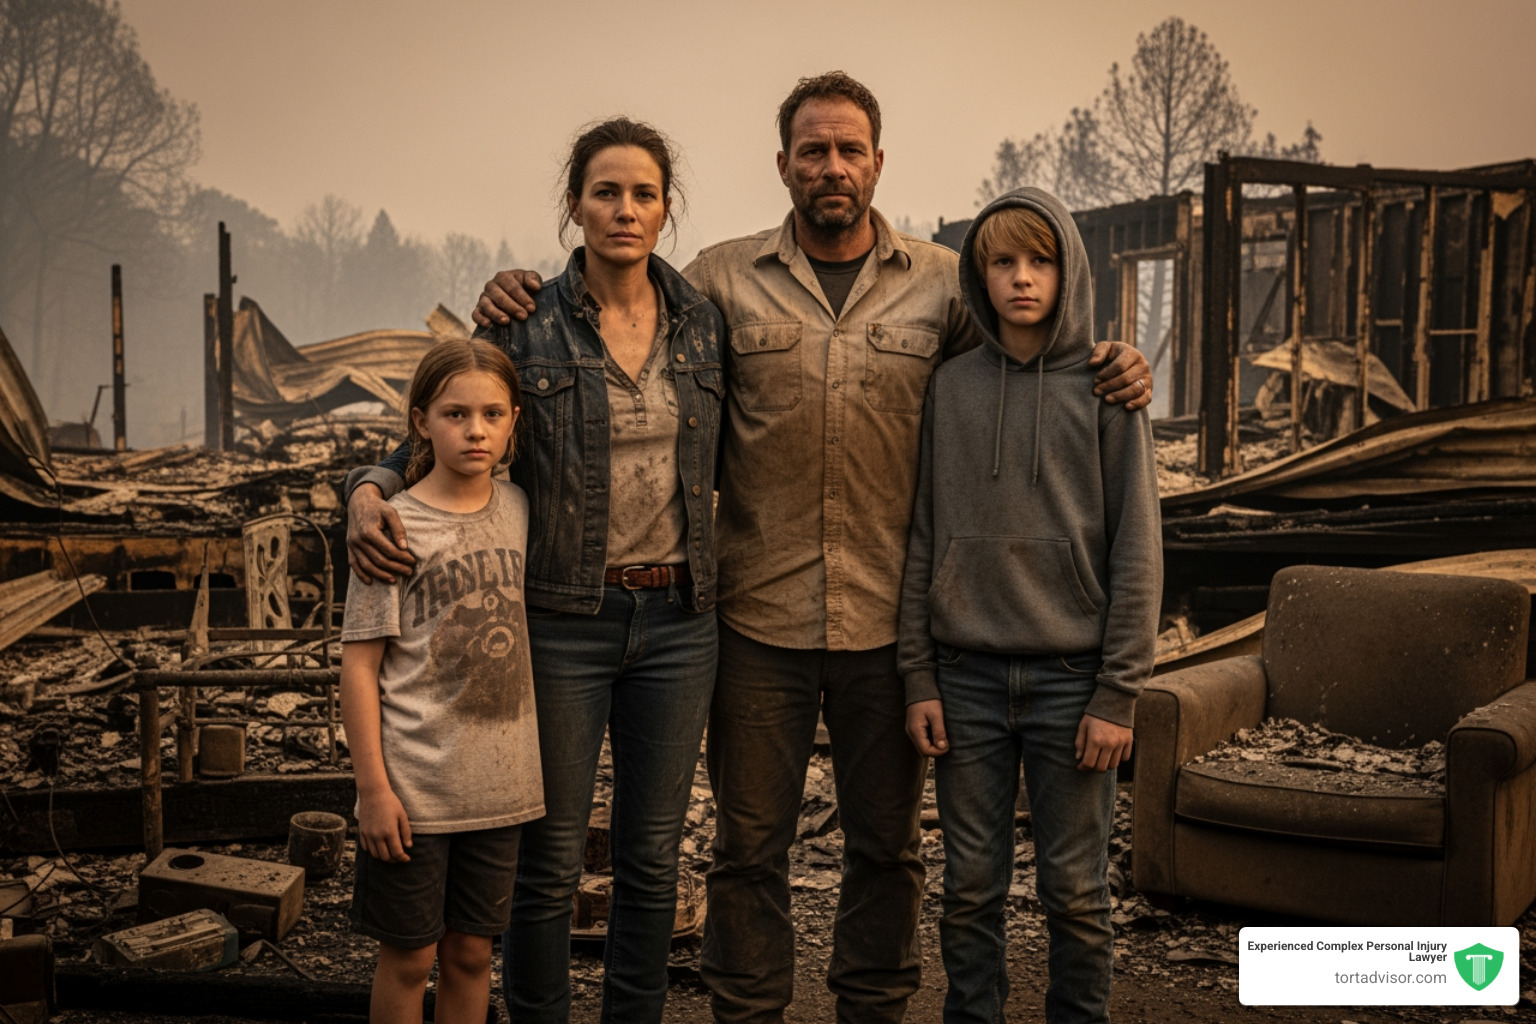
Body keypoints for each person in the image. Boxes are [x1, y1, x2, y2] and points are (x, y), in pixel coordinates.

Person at [473, 73, 1154, 1024]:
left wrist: (1110, 358)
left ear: (878, 162)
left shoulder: (941, 286)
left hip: (893, 629)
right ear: (783, 164)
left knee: (889, 850)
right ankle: (747, 1011)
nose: (831, 167)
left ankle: (870, 1009)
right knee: (748, 848)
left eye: (849, 150)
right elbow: (595, 311)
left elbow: (1022, 353)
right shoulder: (717, 278)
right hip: (756, 619)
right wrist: (515, 293)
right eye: (812, 151)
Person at [347, 118, 724, 1024]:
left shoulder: (705, 323)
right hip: (563, 618)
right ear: (574, 205)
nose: (624, 210)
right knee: (548, 860)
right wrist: (368, 489)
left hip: (680, 619)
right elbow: (449, 421)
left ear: (667, 209)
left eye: (642, 194)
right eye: (605, 192)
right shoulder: (523, 320)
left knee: (652, 857)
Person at [899, 187, 1161, 1024]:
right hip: (966, 680)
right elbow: (924, 538)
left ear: (1068, 271)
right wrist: (918, 676)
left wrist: (1118, 692)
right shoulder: (951, 390)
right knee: (968, 890)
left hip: (1072, 683)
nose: (1021, 279)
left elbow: (1137, 551)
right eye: (1002, 262)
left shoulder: (1107, 392)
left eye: (1040, 261)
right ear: (979, 275)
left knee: (1076, 893)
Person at [340, 337, 541, 1024]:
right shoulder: (393, 529)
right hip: (415, 794)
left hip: (500, 789)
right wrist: (372, 789)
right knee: (409, 957)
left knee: (472, 956)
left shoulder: (518, 510)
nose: (475, 430)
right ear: (421, 420)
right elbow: (360, 668)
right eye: (456, 414)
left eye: (491, 414)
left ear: (515, 419)